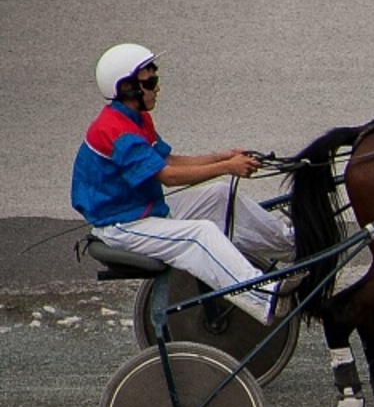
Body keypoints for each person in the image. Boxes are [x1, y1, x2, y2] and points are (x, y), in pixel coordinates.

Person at [71, 43, 292, 326]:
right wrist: (227, 167)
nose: (157, 87)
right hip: (123, 226)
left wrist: (222, 156)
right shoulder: (116, 131)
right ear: (127, 88)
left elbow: (168, 160)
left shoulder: (136, 118)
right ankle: (264, 297)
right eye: (150, 82)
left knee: (218, 196)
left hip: (143, 210)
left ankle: (293, 246)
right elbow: (168, 177)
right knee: (200, 234)